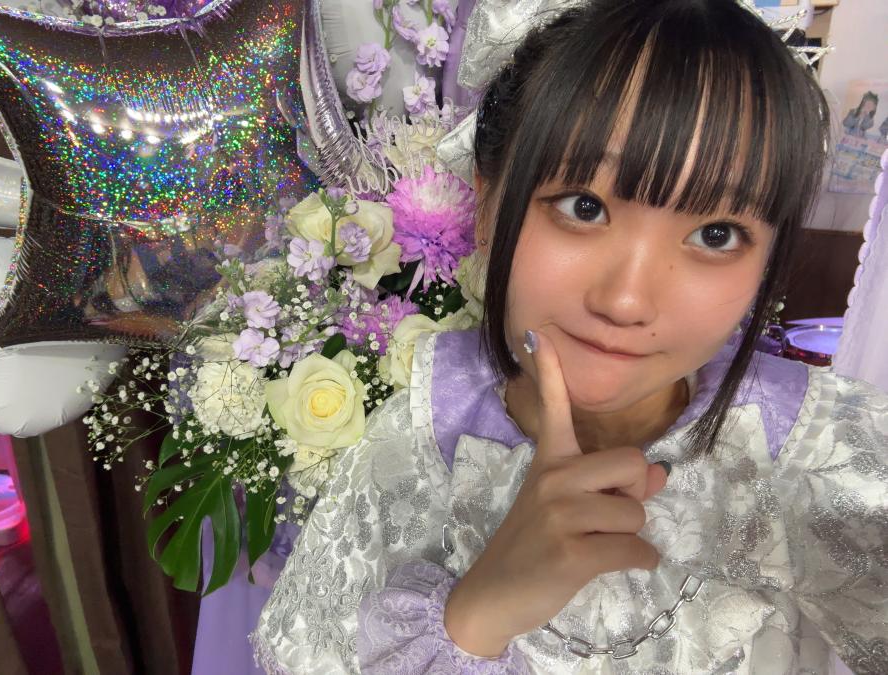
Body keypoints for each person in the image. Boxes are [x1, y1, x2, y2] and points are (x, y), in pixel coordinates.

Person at [253, 1, 888, 673]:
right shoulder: (415, 444)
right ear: (488, 205)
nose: (626, 300)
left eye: (716, 234)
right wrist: (473, 618)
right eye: (585, 207)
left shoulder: (827, 450)